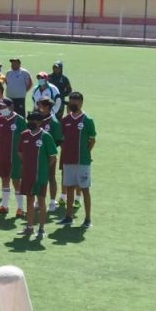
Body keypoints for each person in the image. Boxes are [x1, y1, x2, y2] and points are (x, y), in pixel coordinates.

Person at [59, 92, 97, 228]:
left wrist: (85, 152)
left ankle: (87, 219)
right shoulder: (65, 120)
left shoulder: (87, 120)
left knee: (84, 189)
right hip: (68, 160)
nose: (72, 104)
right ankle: (68, 216)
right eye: (71, 101)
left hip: (83, 162)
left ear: (81, 103)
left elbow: (92, 140)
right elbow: (61, 139)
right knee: (69, 188)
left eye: (75, 102)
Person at [18, 112, 58, 239]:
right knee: (29, 200)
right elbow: (20, 152)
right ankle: (29, 227)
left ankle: (41, 228)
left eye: (33, 120)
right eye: (29, 120)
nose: (30, 122)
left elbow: (52, 157)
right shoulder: (24, 135)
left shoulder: (46, 137)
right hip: (27, 174)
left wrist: (43, 168)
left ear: (40, 122)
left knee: (41, 200)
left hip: (40, 176)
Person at [0, 97, 27, 218]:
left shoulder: (20, 120)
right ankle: (4, 206)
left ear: (11, 107)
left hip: (16, 157)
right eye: (0, 107)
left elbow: (25, 138)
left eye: (3, 107)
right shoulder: (0, 119)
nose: (1, 109)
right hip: (3, 156)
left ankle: (21, 208)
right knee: (4, 180)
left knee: (16, 181)